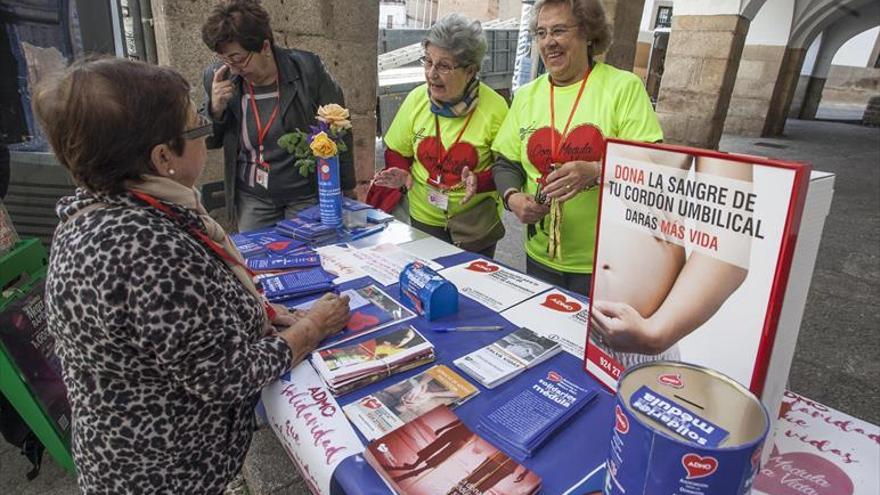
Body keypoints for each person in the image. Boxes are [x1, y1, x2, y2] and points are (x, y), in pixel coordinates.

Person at [34, 57, 350, 494]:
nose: (206, 131)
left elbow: (180, 325)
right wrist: (312, 327)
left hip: (131, 459)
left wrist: (266, 314)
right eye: (197, 126)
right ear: (163, 157)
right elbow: (224, 376)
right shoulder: (146, 247)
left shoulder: (106, 212)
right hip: (165, 475)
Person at [492, 0, 663, 294]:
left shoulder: (623, 87)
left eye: (559, 30)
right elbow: (506, 162)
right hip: (539, 255)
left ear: (588, 33)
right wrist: (512, 197)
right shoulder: (527, 96)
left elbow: (651, 162)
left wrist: (596, 170)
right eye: (542, 33)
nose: (549, 42)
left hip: (605, 261)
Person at [200, 0, 355, 232]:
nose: (233, 68)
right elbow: (210, 141)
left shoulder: (308, 70)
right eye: (225, 59)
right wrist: (215, 109)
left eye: (238, 59)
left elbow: (340, 132)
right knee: (257, 261)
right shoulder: (219, 77)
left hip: (303, 192)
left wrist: (346, 188)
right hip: (253, 196)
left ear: (264, 47)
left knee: (306, 256)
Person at [589, 146, 750, 365]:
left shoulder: (691, 118)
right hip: (560, 301)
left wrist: (655, 334)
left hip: (633, 334)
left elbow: (729, 239)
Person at [371, 13, 509, 257]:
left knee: (471, 286)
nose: (431, 74)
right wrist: (401, 169)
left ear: (470, 71)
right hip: (425, 216)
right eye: (428, 61)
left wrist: (481, 181)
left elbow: (508, 167)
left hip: (475, 224)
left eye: (444, 66)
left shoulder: (496, 109)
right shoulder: (416, 99)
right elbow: (396, 149)